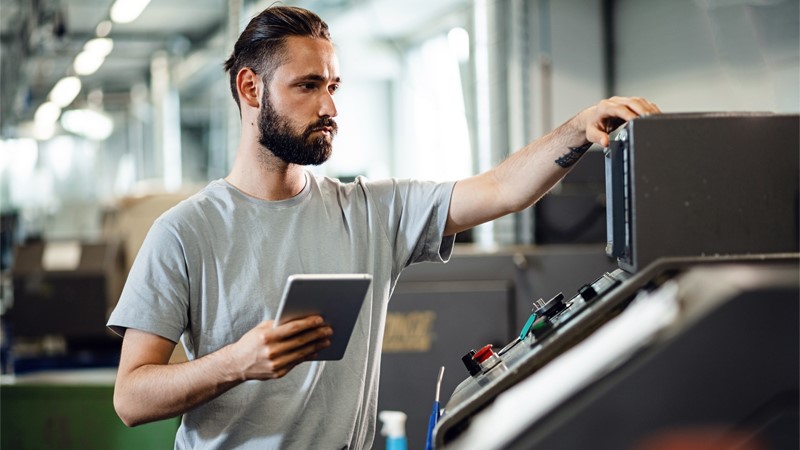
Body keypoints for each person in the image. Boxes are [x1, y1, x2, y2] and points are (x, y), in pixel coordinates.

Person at [107, 5, 660, 450]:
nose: (330, 106)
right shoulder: (183, 232)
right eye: (307, 86)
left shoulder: (372, 210)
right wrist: (236, 363)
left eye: (334, 86)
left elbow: (500, 191)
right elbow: (132, 398)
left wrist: (580, 128)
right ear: (251, 90)